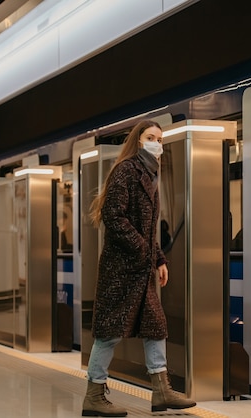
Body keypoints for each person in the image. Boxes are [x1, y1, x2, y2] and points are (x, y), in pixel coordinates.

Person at [82, 120, 196, 417]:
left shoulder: (150, 173)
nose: (156, 142)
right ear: (138, 140)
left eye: (159, 138)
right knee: (108, 333)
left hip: (140, 269)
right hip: (120, 269)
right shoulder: (126, 170)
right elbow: (113, 216)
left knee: (156, 326)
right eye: (150, 137)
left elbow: (150, 228)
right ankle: (94, 395)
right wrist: (145, 251)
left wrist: (158, 259)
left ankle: (161, 391)